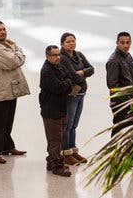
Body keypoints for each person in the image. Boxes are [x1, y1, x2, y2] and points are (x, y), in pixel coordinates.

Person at [0, 20, 29, 164]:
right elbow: (14, 61)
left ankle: (7, 147)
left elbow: (18, 54)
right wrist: (17, 53)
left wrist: (17, 53)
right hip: (1, 90)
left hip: (9, 88)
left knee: (8, 120)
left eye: (4, 29)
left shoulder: (7, 44)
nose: (3, 32)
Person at [39, 45, 75, 177]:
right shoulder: (47, 71)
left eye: (58, 54)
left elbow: (69, 78)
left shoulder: (58, 66)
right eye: (54, 55)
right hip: (51, 110)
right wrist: (67, 84)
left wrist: (66, 83)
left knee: (60, 137)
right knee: (55, 139)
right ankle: (58, 167)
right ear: (48, 56)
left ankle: (51, 161)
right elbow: (58, 87)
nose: (58, 57)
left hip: (61, 108)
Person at [59, 33, 93, 165]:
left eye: (73, 41)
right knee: (68, 125)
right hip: (72, 95)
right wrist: (82, 74)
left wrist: (83, 72)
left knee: (74, 125)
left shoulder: (79, 55)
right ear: (62, 44)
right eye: (68, 42)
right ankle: (66, 152)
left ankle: (73, 150)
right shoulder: (62, 58)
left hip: (81, 94)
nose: (71, 43)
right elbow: (72, 75)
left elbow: (91, 69)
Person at [106, 32, 133, 137]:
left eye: (128, 42)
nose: (125, 45)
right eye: (122, 42)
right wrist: (125, 103)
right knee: (119, 128)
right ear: (117, 43)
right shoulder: (113, 60)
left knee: (131, 127)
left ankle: (127, 152)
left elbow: (132, 79)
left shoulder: (128, 57)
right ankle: (113, 152)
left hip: (130, 100)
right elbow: (112, 85)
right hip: (120, 103)